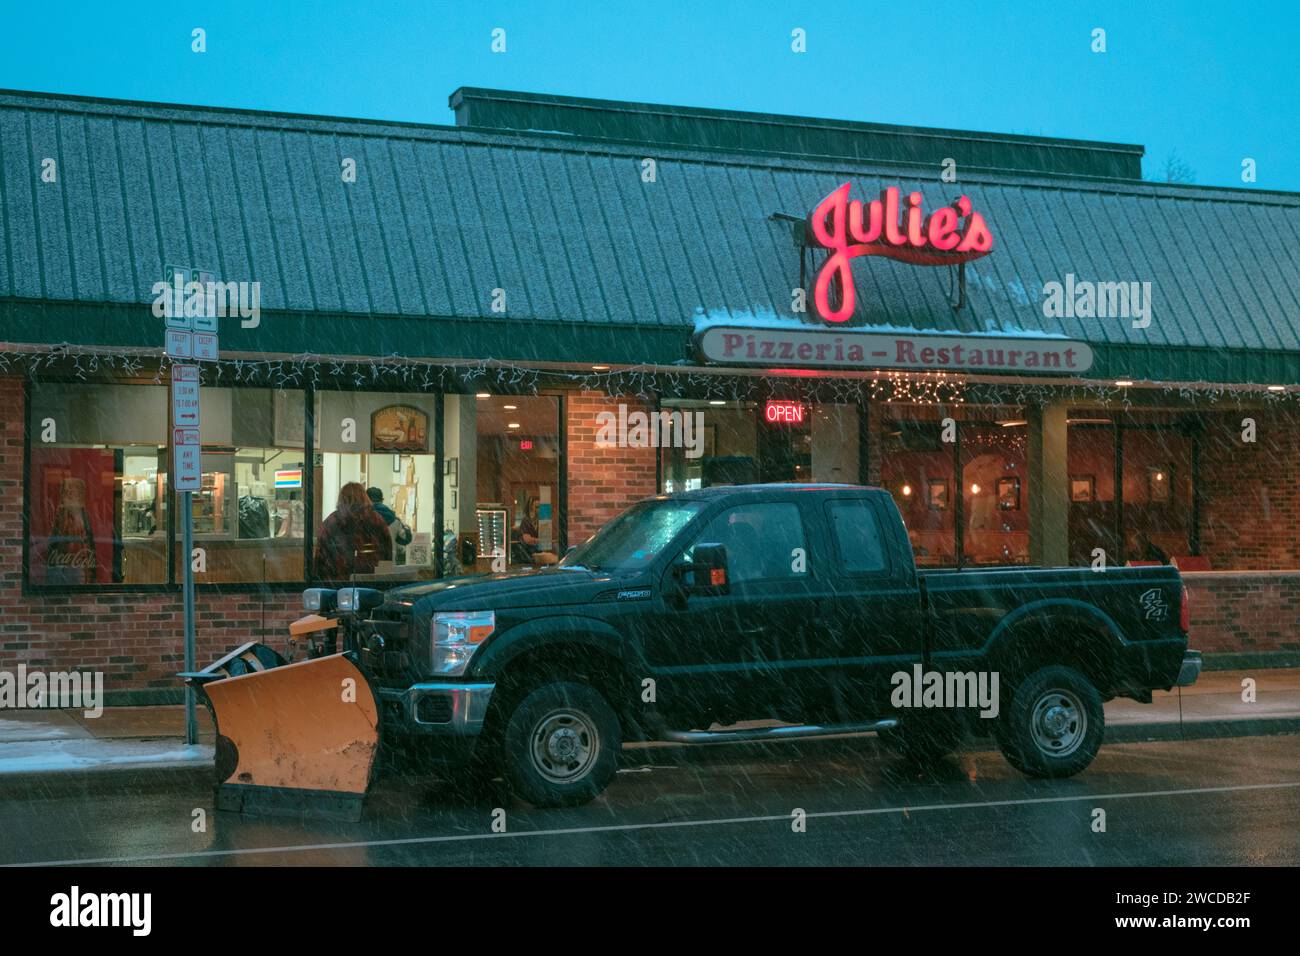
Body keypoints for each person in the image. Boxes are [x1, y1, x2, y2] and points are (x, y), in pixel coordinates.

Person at [314, 482, 392, 578]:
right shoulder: (376, 520)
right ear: (365, 497)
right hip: (371, 580)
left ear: (341, 499)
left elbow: (320, 557)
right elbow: (387, 552)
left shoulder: (331, 521)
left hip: (337, 581)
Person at [366, 486, 413, 556]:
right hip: (387, 559)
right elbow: (405, 539)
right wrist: (406, 528)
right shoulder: (394, 520)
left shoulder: (361, 518)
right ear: (382, 500)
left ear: (365, 500)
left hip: (367, 560)